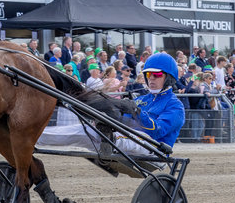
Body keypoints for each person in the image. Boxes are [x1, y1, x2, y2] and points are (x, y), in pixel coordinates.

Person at [38, 52, 185, 155]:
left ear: (169, 78)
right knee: (85, 130)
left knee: (115, 136)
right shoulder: (142, 99)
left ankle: (108, 136)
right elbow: (126, 121)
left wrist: (137, 113)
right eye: (148, 74)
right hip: (129, 140)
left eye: (157, 74)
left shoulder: (175, 105)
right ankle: (34, 138)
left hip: (155, 149)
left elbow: (157, 131)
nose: (151, 78)